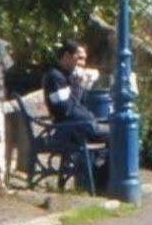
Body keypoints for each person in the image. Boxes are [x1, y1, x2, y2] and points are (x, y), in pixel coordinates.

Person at [41, 40, 108, 190]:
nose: (83, 63)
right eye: (79, 58)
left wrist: (84, 85)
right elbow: (66, 109)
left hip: (80, 125)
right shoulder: (55, 77)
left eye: (85, 59)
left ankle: (99, 177)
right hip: (69, 129)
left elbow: (79, 105)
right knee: (115, 134)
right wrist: (78, 85)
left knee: (114, 130)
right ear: (67, 56)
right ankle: (98, 179)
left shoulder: (69, 77)